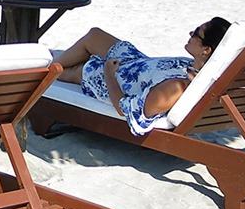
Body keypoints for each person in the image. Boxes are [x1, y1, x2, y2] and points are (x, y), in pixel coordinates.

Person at [54, 17, 231, 135]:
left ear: (206, 50)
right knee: (94, 35)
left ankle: (44, 72)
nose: (190, 34)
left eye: (196, 33)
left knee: (73, 70)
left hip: (113, 79)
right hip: (133, 63)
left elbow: (125, 109)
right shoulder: (196, 69)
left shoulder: (176, 88)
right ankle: (52, 64)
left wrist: (108, 73)